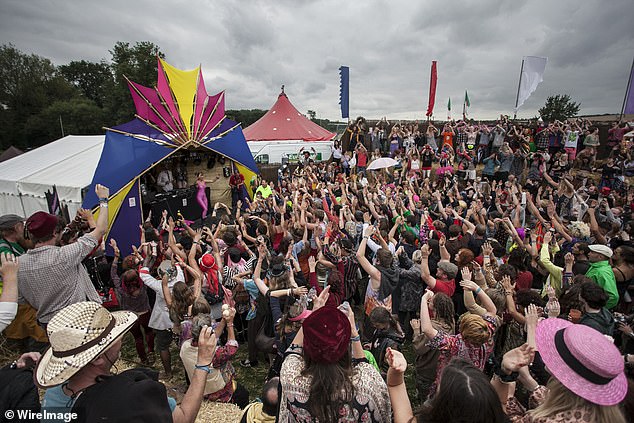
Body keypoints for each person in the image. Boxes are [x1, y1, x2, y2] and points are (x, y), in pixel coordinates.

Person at [35, 301, 217, 423]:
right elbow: (183, 418)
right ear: (98, 358)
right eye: (113, 335)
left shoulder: (53, 397)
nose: (121, 336)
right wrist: (203, 362)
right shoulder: (137, 396)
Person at [279, 288, 391, 422]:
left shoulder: (290, 377)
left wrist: (314, 314)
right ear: (345, 347)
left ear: (308, 347)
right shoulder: (367, 386)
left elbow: (293, 350)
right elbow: (363, 364)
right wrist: (354, 332)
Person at [496, 319, 627, 422]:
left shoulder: (545, 420)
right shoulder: (601, 413)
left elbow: (497, 415)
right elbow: (558, 402)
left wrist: (505, 379)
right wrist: (530, 382)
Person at [17, 184, 110, 327]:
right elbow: (101, 229)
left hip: (49, 325)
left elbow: (21, 299)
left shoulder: (18, 264)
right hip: (80, 318)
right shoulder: (66, 255)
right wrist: (103, 200)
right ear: (54, 233)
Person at [180, 311, 249, 408]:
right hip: (219, 393)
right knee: (243, 395)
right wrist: (229, 324)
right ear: (208, 331)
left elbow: (212, 337)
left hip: (200, 391)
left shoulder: (185, 346)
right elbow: (232, 347)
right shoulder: (214, 354)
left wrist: (223, 321)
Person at [585, 244, 619, 309]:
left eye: (592, 252)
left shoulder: (602, 272)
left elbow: (613, 297)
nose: (588, 254)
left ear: (600, 257)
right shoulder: (595, 266)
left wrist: (598, 309)